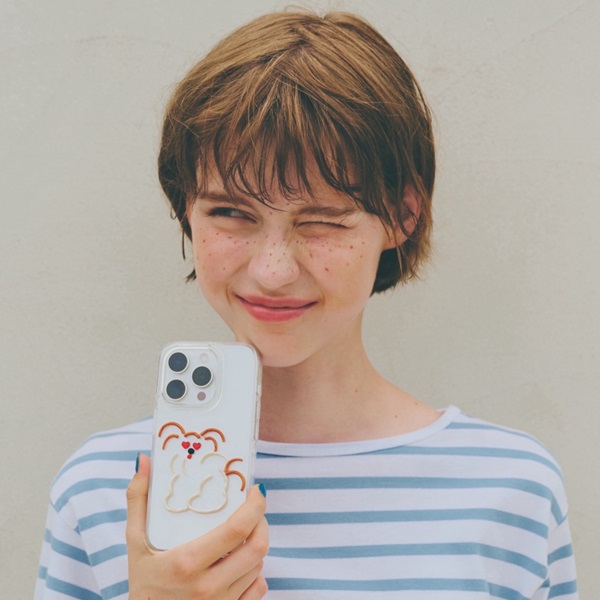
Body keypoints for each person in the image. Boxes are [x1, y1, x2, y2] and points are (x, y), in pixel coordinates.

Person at [35, 10, 578, 600]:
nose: (272, 271)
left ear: (402, 216)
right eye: (230, 213)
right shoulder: (98, 489)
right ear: (186, 208)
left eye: (322, 221)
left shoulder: (511, 487)